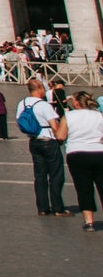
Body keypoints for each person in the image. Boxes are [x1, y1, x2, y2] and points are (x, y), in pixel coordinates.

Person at [59, 90, 103, 232]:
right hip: (99, 152)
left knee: (84, 188)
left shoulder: (69, 116)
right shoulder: (98, 115)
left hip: (77, 153)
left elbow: (61, 136)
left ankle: (89, 222)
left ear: (76, 102)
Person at [24, 80, 68, 217]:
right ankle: (57, 207)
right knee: (56, 175)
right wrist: (60, 139)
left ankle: (42, 208)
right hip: (48, 141)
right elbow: (55, 126)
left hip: (34, 141)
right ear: (40, 89)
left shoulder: (23, 103)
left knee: (40, 176)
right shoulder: (43, 105)